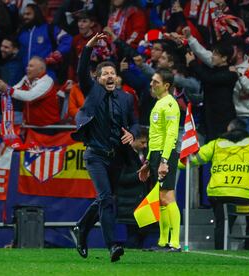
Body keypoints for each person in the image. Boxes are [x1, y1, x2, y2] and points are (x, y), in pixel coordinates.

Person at [71, 33, 139, 262]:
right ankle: (112, 246)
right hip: (95, 156)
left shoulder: (126, 98)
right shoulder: (93, 91)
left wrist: (133, 133)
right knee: (107, 199)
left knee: (106, 199)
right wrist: (88, 48)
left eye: (112, 73)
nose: (110, 76)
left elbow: (135, 122)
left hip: (117, 157)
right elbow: (81, 71)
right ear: (98, 78)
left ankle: (81, 227)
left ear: (117, 78)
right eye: (105, 74)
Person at [189, 118, 249, 250]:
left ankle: (221, 251)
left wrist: (172, 165)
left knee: (222, 224)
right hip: (248, 195)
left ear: (229, 130)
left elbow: (193, 159)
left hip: (220, 193)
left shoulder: (215, 144)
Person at [138, 68, 181, 252]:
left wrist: (164, 160)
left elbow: (171, 134)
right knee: (161, 198)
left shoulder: (170, 104)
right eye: (151, 81)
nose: (151, 84)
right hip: (156, 154)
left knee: (168, 196)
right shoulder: (159, 103)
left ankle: (175, 242)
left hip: (166, 154)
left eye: (156, 82)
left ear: (166, 86)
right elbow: (154, 137)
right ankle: (163, 241)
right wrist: (148, 162)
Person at [0, 56, 60, 127]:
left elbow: (30, 96)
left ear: (41, 70)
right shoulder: (26, 78)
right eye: (27, 66)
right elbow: (14, 89)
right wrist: (1, 87)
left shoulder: (47, 81)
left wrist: (7, 89)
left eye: (31, 66)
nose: (27, 68)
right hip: (31, 126)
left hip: (48, 127)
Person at [116, 128, 151, 248]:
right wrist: (140, 175)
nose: (145, 145)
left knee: (143, 233)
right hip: (128, 202)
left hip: (142, 202)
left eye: (146, 142)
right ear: (133, 140)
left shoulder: (146, 154)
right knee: (133, 236)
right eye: (142, 142)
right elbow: (120, 179)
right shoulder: (122, 155)